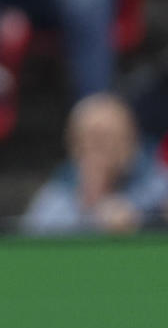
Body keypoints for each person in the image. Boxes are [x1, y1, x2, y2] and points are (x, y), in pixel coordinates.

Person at [22, 95, 168, 235]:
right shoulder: (58, 192)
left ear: (132, 139)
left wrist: (139, 219)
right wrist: (90, 205)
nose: (99, 149)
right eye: (90, 139)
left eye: (108, 137)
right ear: (74, 146)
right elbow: (34, 239)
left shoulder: (158, 175)